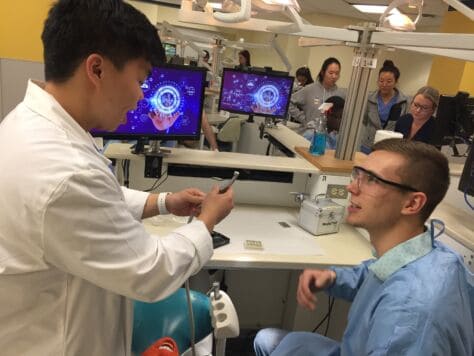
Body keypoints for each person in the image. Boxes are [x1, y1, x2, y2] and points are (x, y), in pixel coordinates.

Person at [0, 1, 234, 355]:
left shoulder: (30, 126)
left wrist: (163, 202)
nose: (141, 95)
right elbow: (152, 270)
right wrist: (206, 221)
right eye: (139, 80)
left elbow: (97, 202)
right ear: (96, 69)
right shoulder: (65, 169)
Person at [254, 138, 473, 356]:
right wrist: (332, 277)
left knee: (272, 342)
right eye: (358, 175)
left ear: (412, 203)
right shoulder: (430, 252)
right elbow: (377, 273)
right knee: (268, 339)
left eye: (371, 180)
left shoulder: (409, 313)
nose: (351, 187)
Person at [288, 57, 346, 141]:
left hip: (329, 140)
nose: (334, 76)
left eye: (337, 73)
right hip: (309, 136)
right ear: (323, 72)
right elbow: (289, 102)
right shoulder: (310, 89)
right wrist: (303, 119)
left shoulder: (340, 95)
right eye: (331, 73)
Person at [360, 60, 409, 152]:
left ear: (396, 82)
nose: (384, 84)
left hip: (391, 145)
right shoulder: (370, 99)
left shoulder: (403, 101)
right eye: (381, 81)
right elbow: (365, 119)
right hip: (369, 143)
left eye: (389, 81)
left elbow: (403, 123)